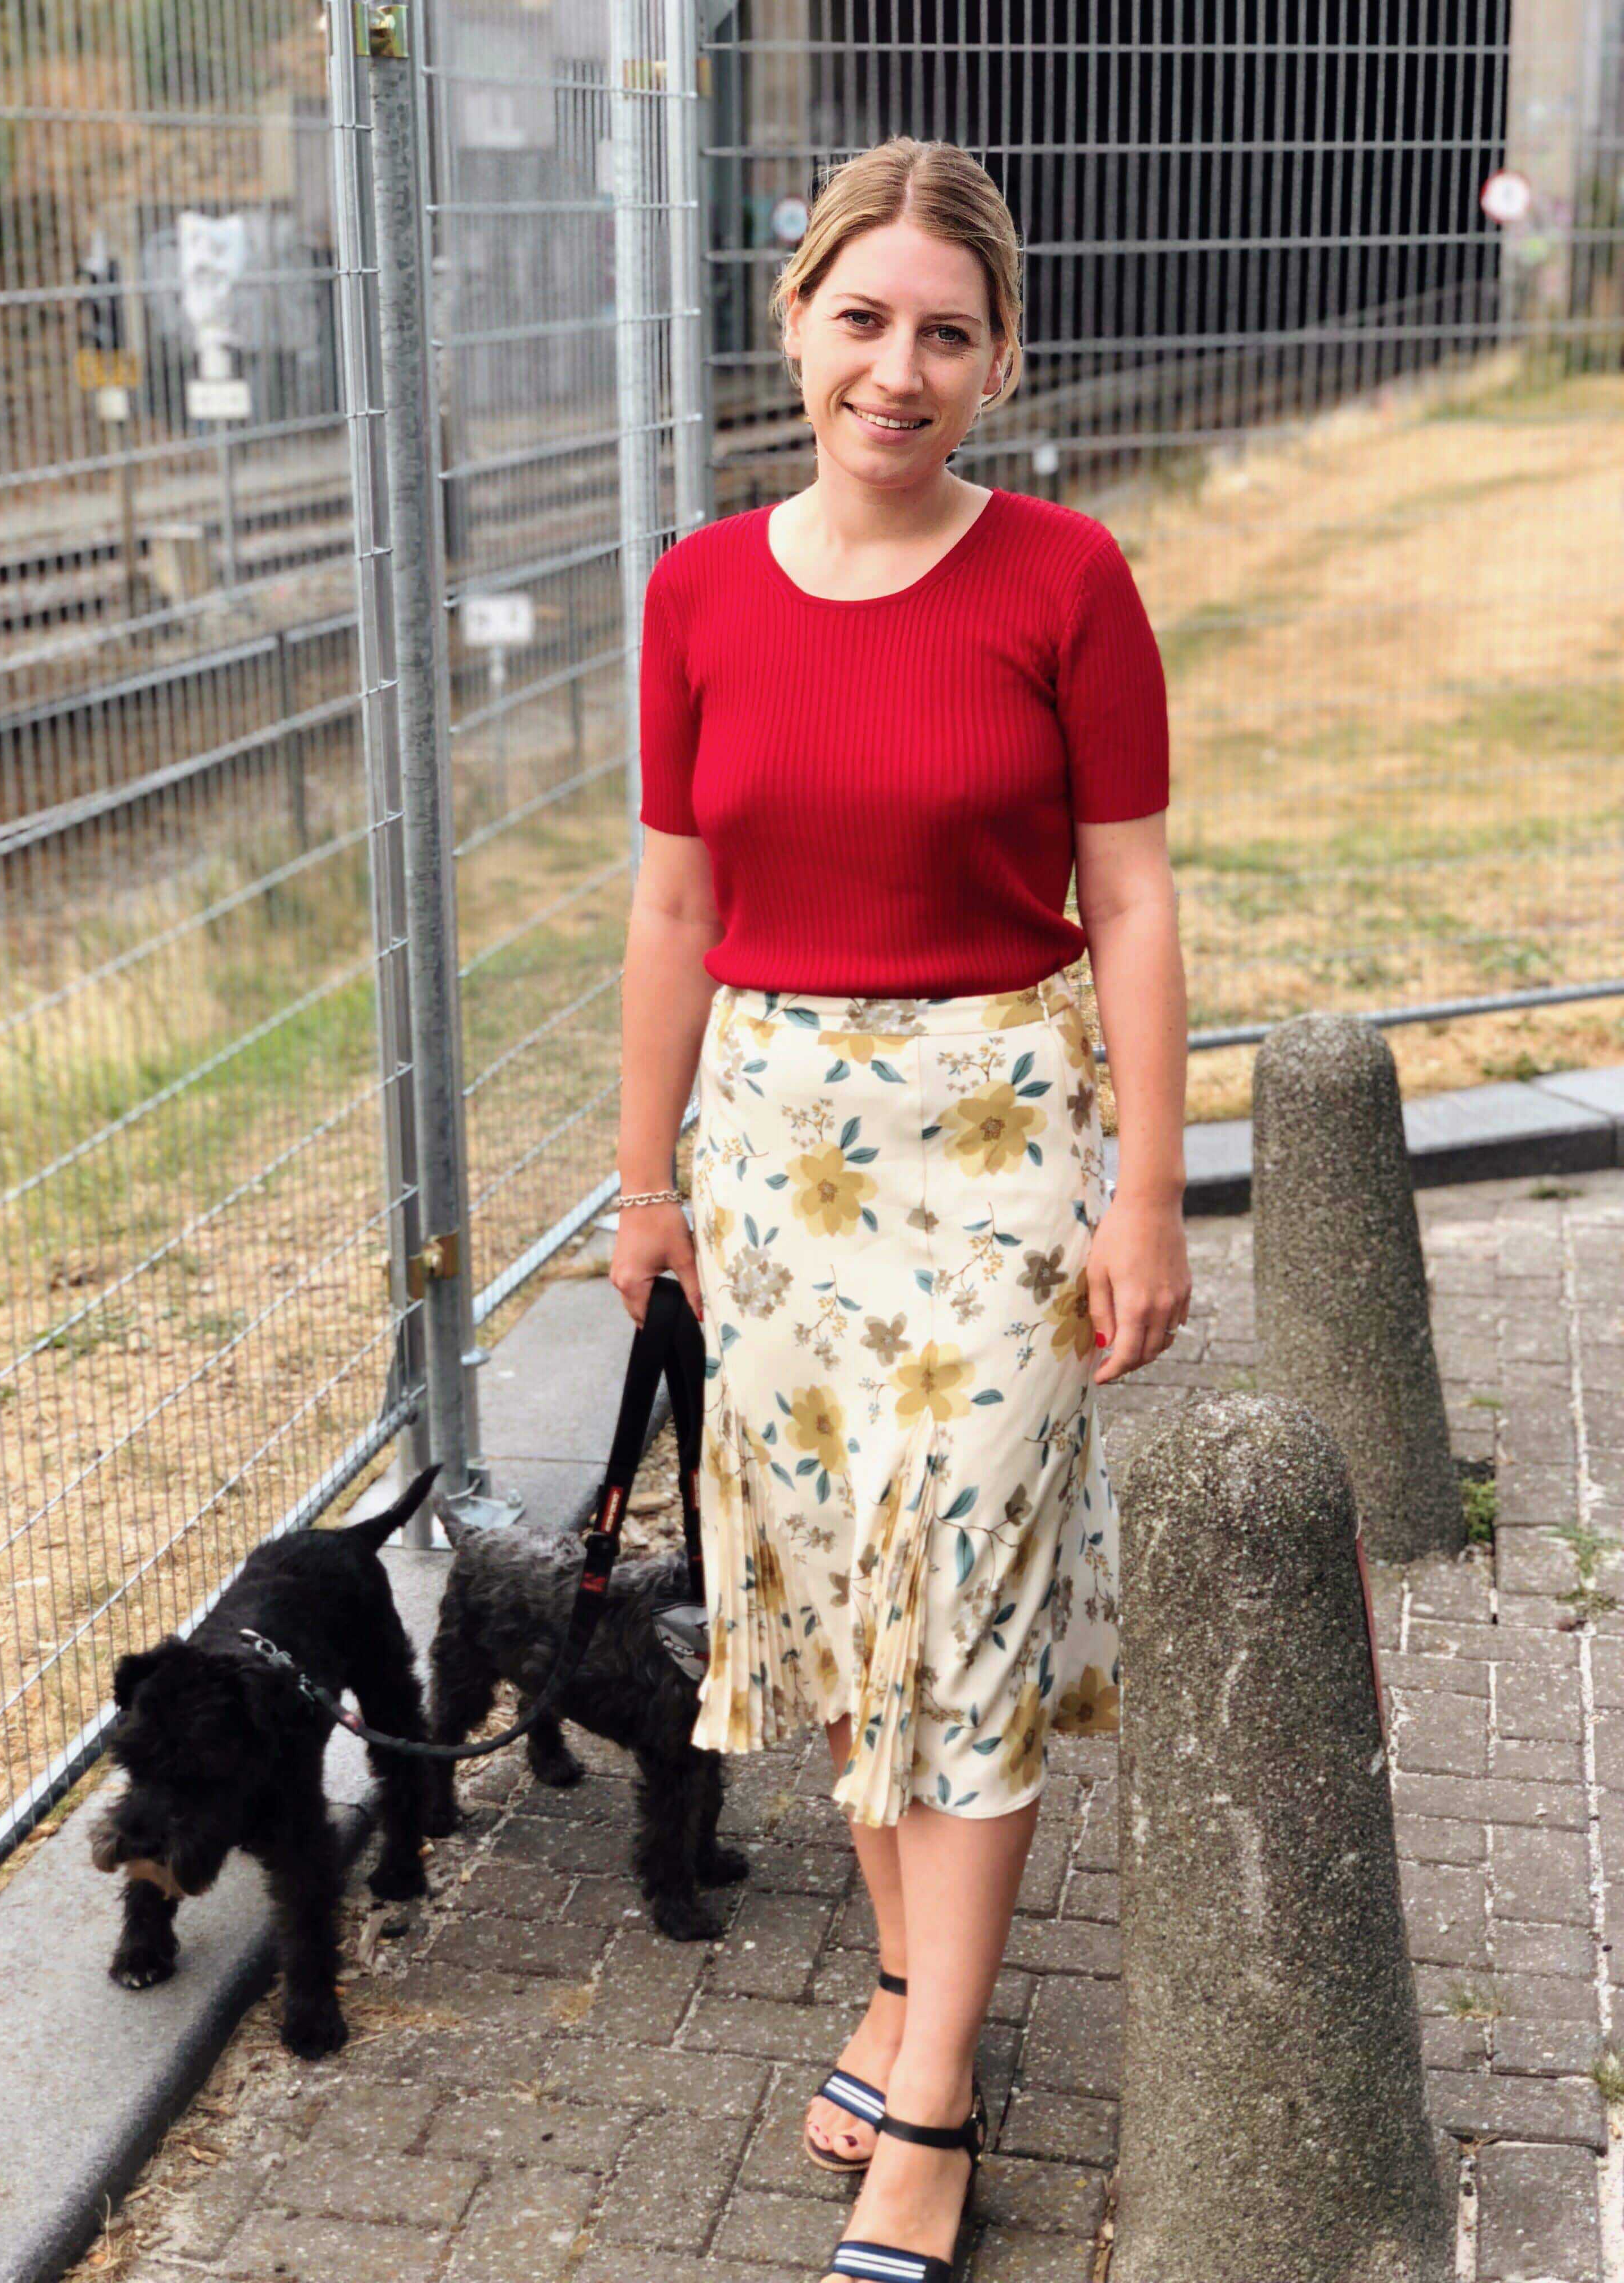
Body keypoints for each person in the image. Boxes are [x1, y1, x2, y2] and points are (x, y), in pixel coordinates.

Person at [612, 135, 1190, 2283]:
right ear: (795, 327)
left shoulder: (1064, 579)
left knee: (966, 1581)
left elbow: (1128, 896)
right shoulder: (695, 587)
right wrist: (643, 1180)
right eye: (864, 318)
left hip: (1000, 1136)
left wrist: (1149, 1187)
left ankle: (937, 2097)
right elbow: (675, 902)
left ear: (1001, 358)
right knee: (846, 1600)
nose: (900, 365)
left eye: (948, 330)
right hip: (773, 1152)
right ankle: (901, 1988)